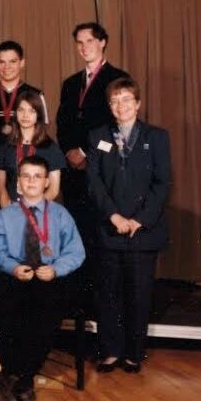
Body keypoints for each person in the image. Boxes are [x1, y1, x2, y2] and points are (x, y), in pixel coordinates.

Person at [86, 78, 171, 374]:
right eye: (114, 101)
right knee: (108, 293)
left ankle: (134, 353)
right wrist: (114, 216)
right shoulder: (98, 136)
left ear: (137, 104)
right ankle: (110, 351)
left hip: (142, 231)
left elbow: (162, 184)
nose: (120, 106)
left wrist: (139, 220)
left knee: (138, 294)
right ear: (109, 106)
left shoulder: (156, 137)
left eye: (126, 100)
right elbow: (94, 182)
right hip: (109, 228)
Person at [0, 156, 85, 401]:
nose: (31, 181)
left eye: (37, 176)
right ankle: (15, 374)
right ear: (18, 182)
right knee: (0, 303)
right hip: (16, 273)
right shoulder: (6, 214)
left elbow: (76, 251)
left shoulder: (60, 214)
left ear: (46, 182)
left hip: (47, 275)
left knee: (46, 309)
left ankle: (21, 377)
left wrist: (55, 269)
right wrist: (13, 267)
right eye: (26, 176)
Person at [55, 22, 130, 242]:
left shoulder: (118, 79)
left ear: (102, 42)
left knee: (102, 233)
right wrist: (69, 150)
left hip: (102, 165)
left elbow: (118, 124)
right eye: (79, 43)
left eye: (89, 41)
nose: (84, 47)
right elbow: (62, 123)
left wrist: (85, 152)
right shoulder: (70, 83)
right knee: (77, 232)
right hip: (72, 169)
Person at [0, 41, 50, 157]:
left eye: (13, 61)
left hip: (28, 159)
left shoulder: (36, 94)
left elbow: (42, 129)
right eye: (2, 62)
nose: (7, 67)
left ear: (22, 63)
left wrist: (27, 159)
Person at [0, 91, 66, 207]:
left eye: (31, 111)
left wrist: (29, 210)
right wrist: (10, 211)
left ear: (38, 115)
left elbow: (53, 190)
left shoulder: (50, 147)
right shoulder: (5, 146)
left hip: (39, 212)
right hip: (10, 210)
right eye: (21, 110)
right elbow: (1, 186)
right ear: (16, 113)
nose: (25, 115)